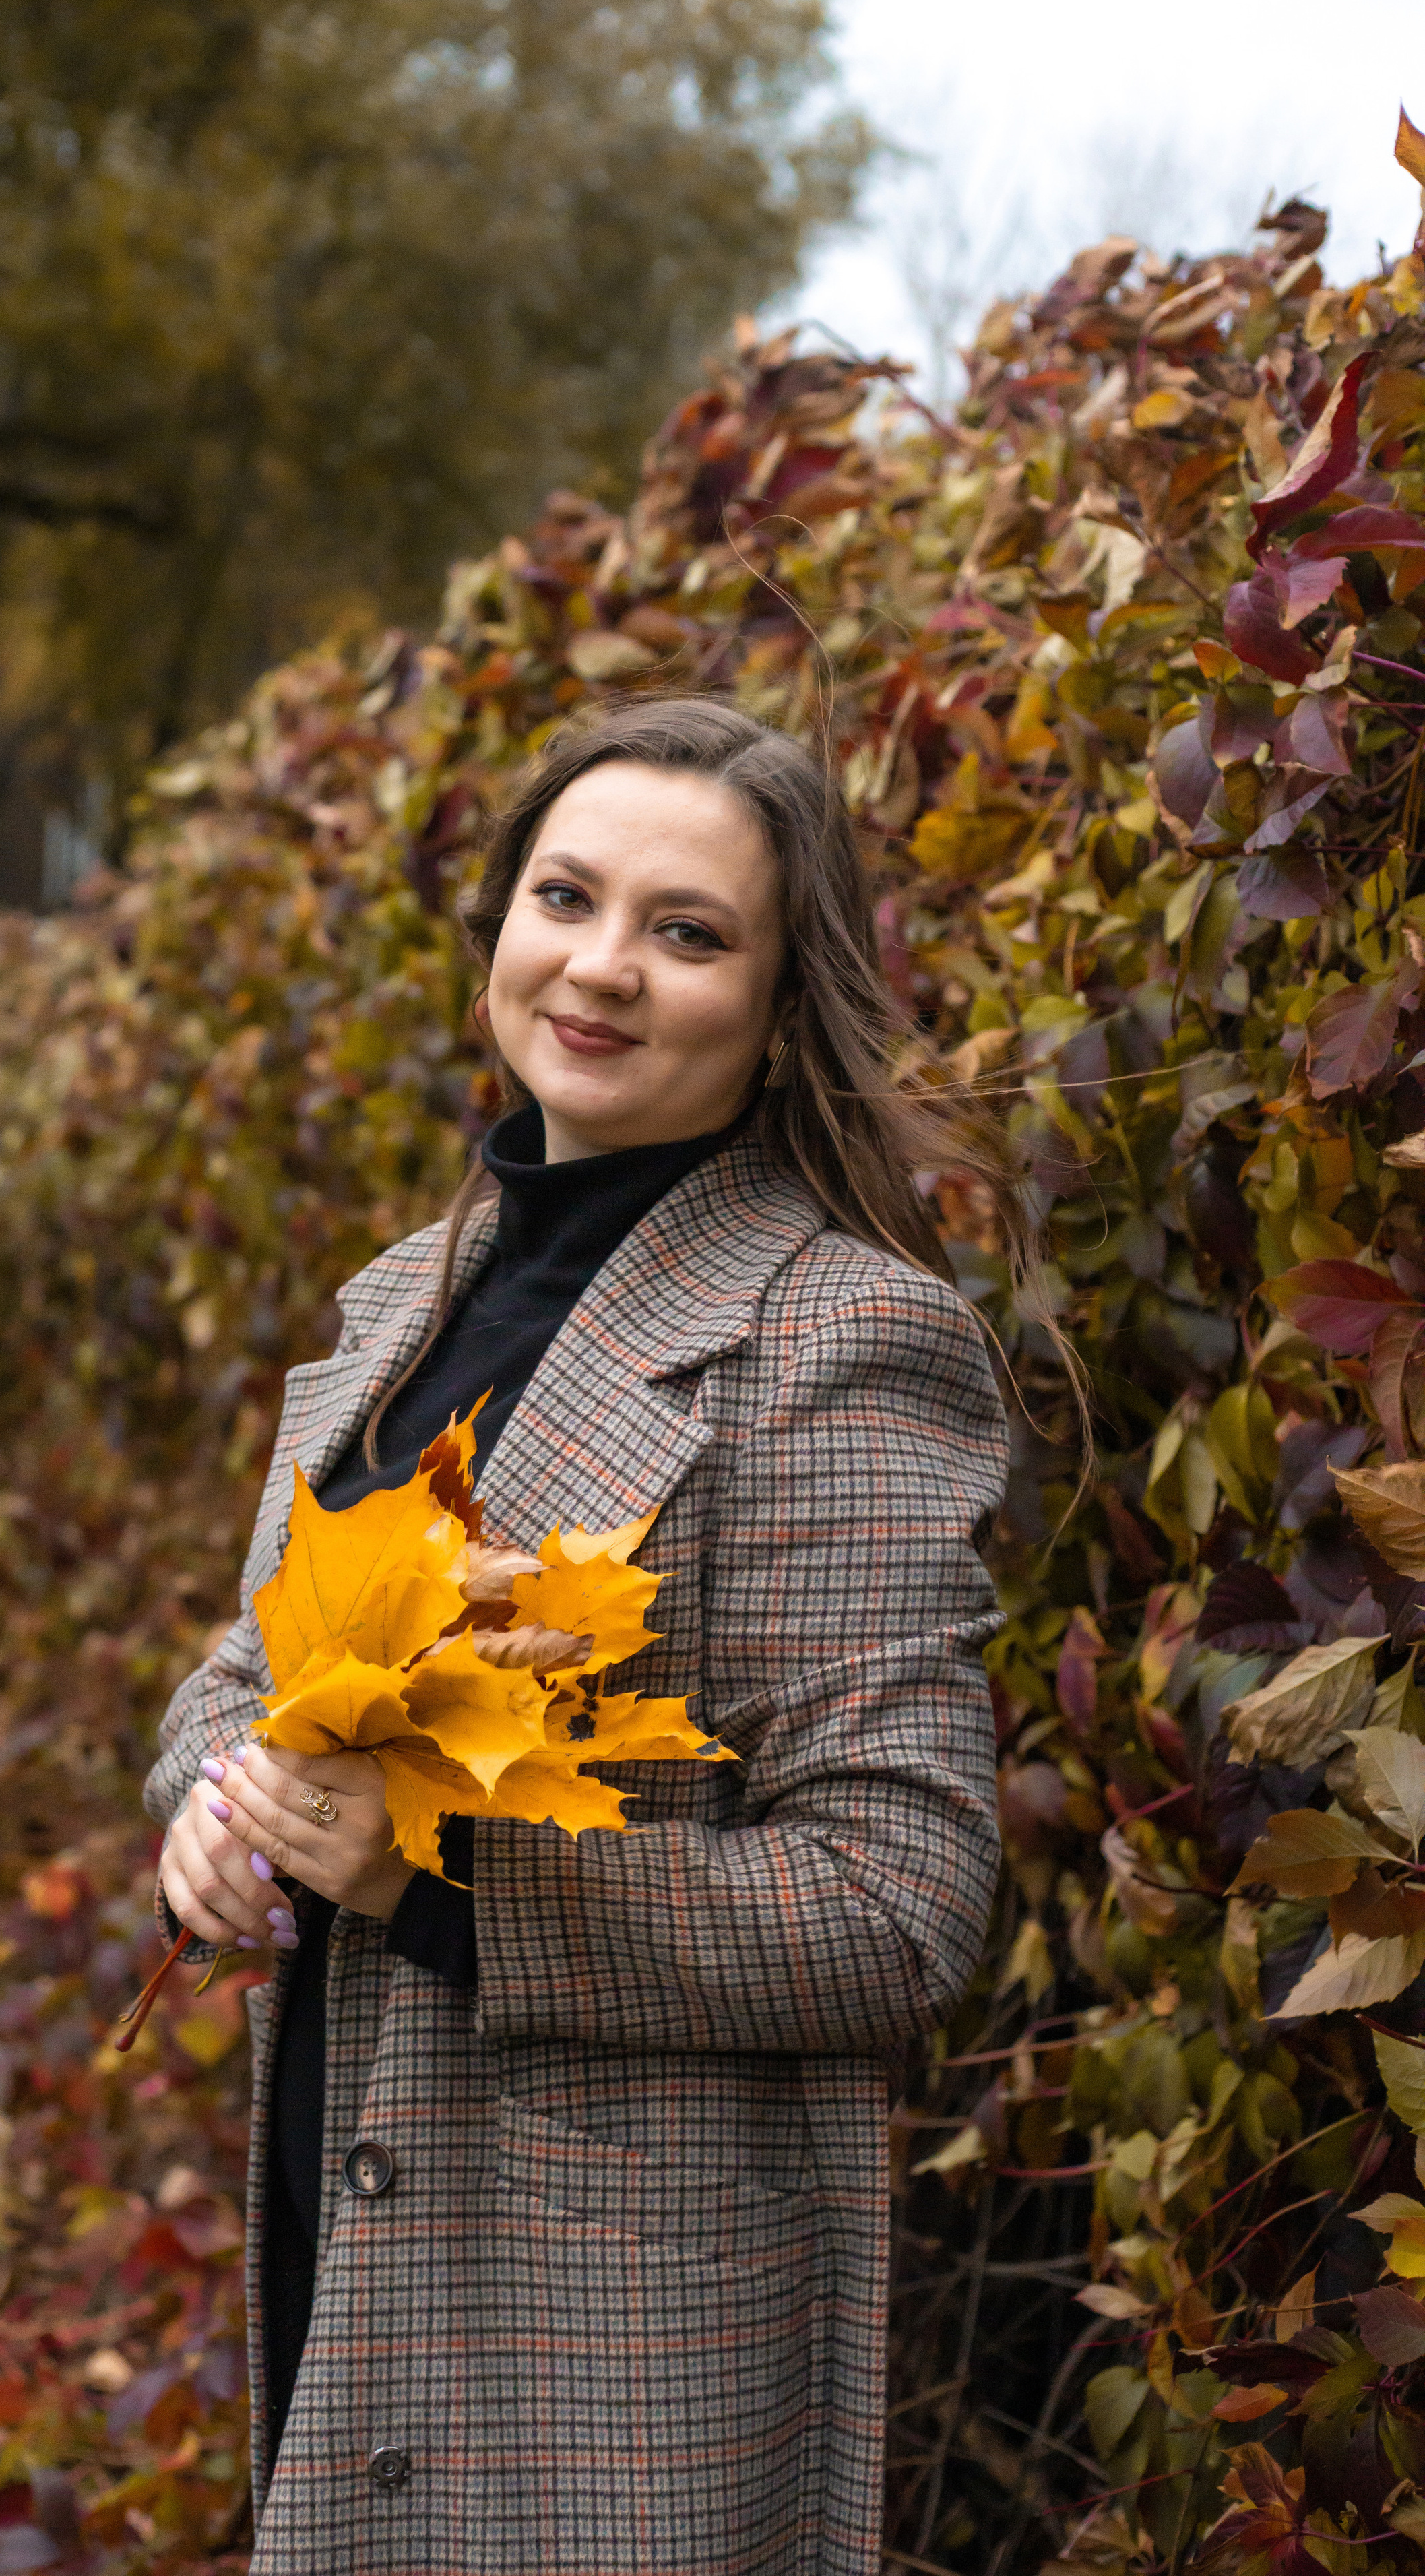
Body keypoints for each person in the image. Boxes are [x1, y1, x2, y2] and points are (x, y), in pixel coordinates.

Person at [143, 695, 1032, 2575]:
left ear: (783, 1005)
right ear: (499, 930)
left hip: (611, 2328)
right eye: (566, 896)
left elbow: (899, 1904)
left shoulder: (838, 1340)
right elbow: (250, 1670)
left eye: (689, 932)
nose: (603, 966)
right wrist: (207, 1807)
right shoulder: (406, 1296)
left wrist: (435, 1877)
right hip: (356, 2194)